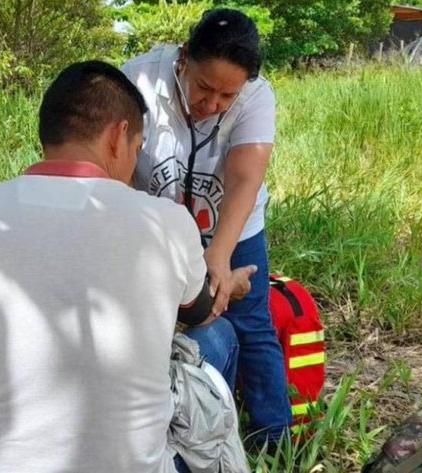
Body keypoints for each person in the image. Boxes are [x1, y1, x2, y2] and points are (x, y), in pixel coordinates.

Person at [0, 60, 255, 472]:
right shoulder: (163, 220)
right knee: (219, 335)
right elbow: (199, 311)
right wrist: (231, 286)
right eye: (137, 147)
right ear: (119, 136)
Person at [122, 8, 292, 446]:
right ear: (183, 58)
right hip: (154, 229)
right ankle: (178, 432)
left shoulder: (257, 96)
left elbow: (245, 176)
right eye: (203, 88)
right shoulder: (136, 82)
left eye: (226, 96)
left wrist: (218, 253)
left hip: (233, 225)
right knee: (152, 322)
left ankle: (275, 440)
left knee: (251, 323)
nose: (212, 105)